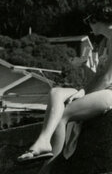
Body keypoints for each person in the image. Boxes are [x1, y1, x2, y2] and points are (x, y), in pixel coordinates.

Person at [18, 18, 112, 161]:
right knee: (56, 92)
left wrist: (85, 92)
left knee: (63, 115)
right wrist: (83, 88)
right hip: (96, 88)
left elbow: (106, 79)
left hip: (109, 92)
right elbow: (98, 75)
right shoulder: (104, 42)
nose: (87, 24)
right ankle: (43, 141)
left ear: (98, 18)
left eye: (88, 19)